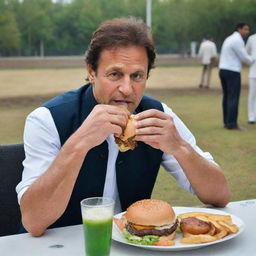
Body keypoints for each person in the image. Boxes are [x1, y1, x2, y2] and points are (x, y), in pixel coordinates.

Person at [16, 17, 230, 237]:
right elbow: (33, 221)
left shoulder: (158, 115)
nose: (127, 89)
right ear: (91, 72)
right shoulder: (46, 119)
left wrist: (180, 147)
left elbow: (220, 195)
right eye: (115, 74)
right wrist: (79, 143)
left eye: (137, 76)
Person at [219, 23, 255, 130]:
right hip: (232, 71)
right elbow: (245, 58)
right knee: (233, 97)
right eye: (245, 29)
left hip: (223, 70)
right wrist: (253, 59)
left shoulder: (229, 38)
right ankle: (232, 124)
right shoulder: (237, 40)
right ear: (239, 29)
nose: (247, 32)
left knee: (227, 97)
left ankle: (227, 122)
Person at [246, 33, 256, 124]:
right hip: (253, 71)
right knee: (252, 95)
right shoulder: (252, 38)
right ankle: (251, 117)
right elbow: (247, 52)